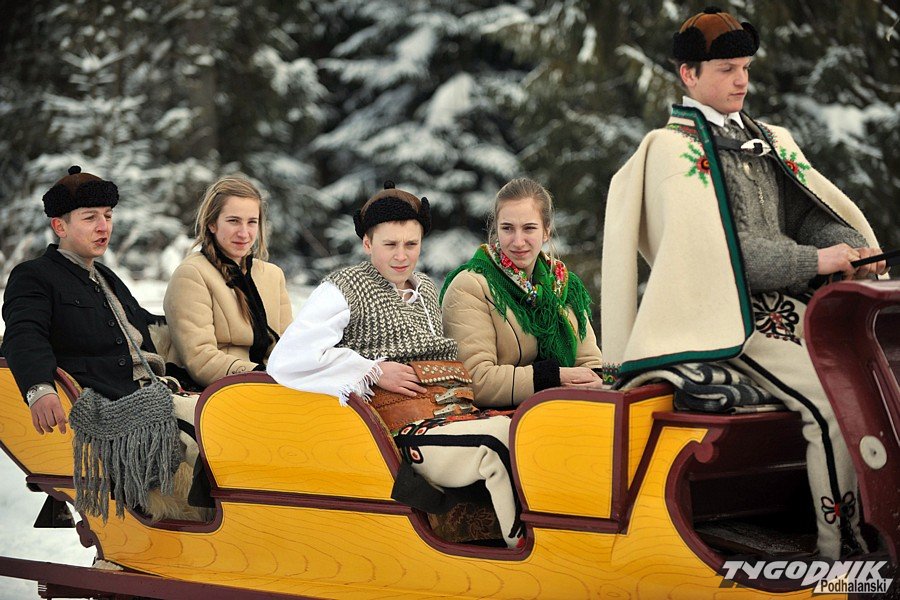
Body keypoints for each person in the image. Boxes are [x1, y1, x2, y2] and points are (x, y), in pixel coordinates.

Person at [601, 7, 887, 559]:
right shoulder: (672, 152)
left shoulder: (767, 138)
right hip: (727, 319)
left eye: (746, 68)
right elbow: (724, 258)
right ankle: (845, 553)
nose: (742, 81)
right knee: (833, 405)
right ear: (688, 75)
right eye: (727, 69)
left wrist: (850, 246)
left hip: (792, 310)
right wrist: (817, 260)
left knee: (877, 385)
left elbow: (807, 214)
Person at [268, 182, 523, 548]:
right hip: (403, 431)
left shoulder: (427, 289)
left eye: (411, 244)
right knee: (496, 442)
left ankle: (557, 536)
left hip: (455, 413)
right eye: (390, 244)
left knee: (528, 431)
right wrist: (371, 369)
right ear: (367, 243)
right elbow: (289, 358)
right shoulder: (345, 287)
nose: (402, 256)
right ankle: (523, 553)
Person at [1, 166, 167, 435]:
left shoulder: (106, 276)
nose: (104, 227)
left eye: (108, 216)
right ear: (60, 226)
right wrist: (39, 389)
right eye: (90, 217)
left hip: (156, 388)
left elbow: (143, 322)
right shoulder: (34, 275)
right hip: (111, 402)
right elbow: (24, 334)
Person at [441, 178, 602, 407]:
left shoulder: (565, 286)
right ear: (496, 229)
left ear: (546, 231)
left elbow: (590, 363)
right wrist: (553, 377)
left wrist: (595, 380)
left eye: (529, 228)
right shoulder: (471, 286)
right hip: (504, 417)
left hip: (565, 408)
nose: (518, 241)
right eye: (507, 228)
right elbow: (475, 379)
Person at [163, 176, 292, 389]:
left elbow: (289, 346)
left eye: (252, 222)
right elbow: (200, 358)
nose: (244, 233)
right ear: (212, 223)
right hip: (217, 389)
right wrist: (261, 376)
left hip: (274, 383)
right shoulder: (192, 274)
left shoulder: (272, 275)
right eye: (233, 221)